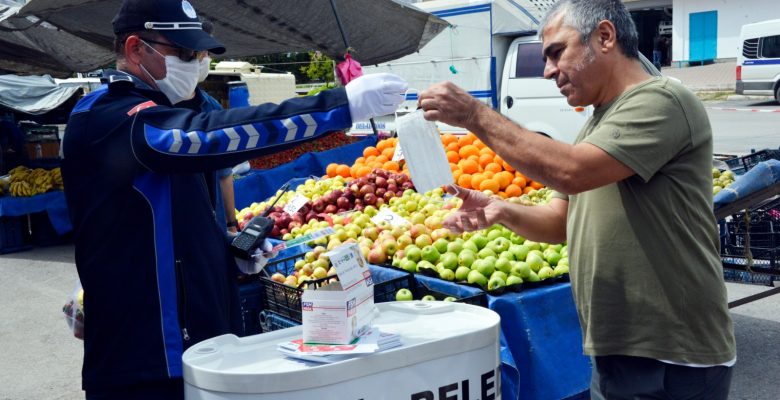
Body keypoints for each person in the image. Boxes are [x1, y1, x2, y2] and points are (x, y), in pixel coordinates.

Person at [61, 0, 406, 398]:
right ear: (136, 49)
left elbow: (168, 215)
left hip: (202, 347)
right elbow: (204, 136)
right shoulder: (108, 117)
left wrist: (224, 250)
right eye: (186, 53)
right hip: (145, 360)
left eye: (201, 54)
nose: (198, 63)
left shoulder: (164, 110)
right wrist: (338, 107)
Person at [418, 0, 736, 398]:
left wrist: (474, 115)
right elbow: (560, 220)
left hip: (672, 356)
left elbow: (571, 170)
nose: (548, 70)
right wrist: (500, 210)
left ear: (604, 37)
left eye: (556, 52)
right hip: (618, 349)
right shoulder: (597, 123)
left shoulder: (662, 100)